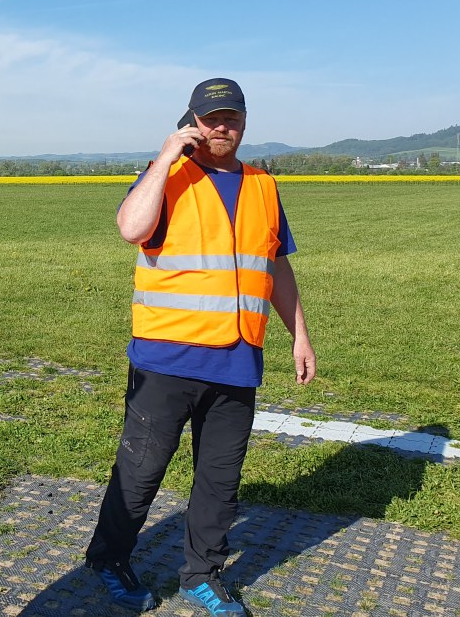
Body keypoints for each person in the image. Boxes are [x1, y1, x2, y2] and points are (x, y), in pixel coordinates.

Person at [84, 77, 316, 615]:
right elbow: (130, 228)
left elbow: (276, 266)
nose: (221, 127)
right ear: (192, 122)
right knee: (140, 472)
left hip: (237, 361)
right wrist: (166, 157)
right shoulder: (165, 176)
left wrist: (300, 335)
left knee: (220, 481)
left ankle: (202, 574)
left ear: (244, 122)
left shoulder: (262, 185)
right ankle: (108, 557)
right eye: (211, 119)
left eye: (231, 118)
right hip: (166, 359)